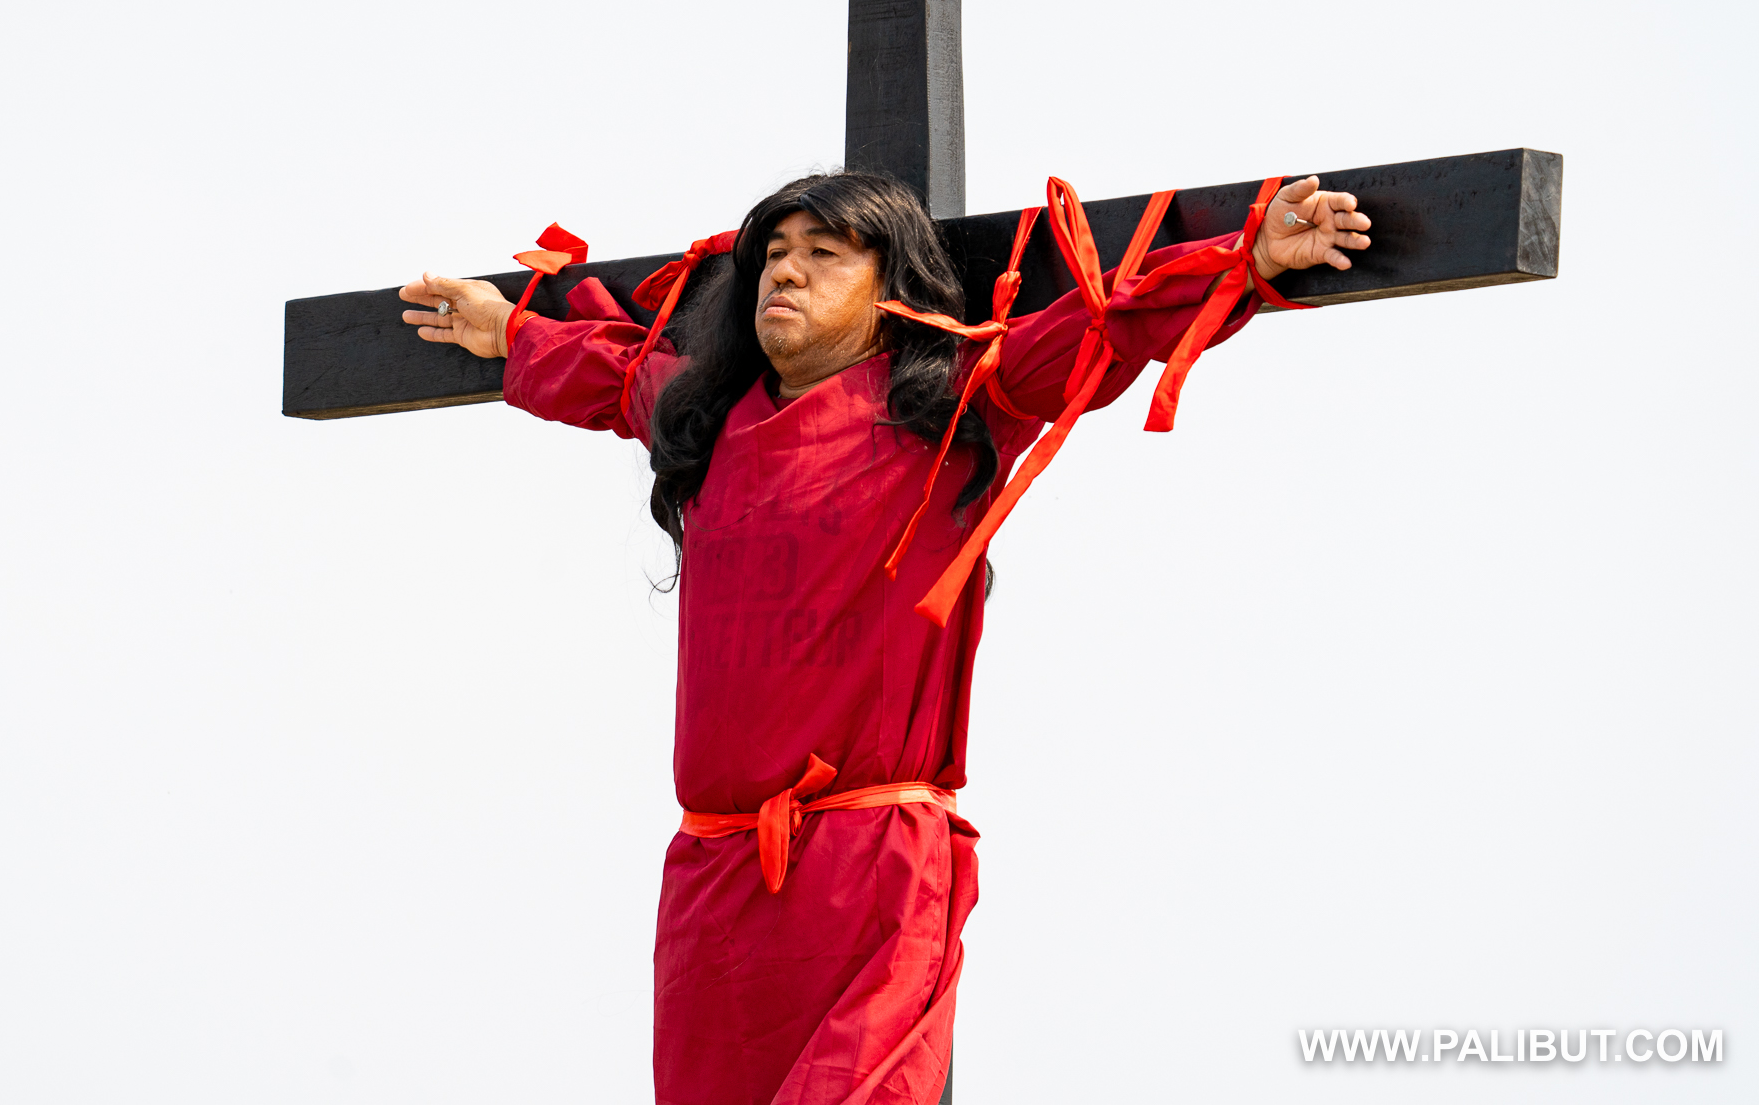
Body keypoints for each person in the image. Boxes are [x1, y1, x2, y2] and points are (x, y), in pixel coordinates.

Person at [398, 170, 1369, 1105]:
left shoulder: (952, 404)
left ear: (890, 288)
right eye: (775, 253)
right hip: (713, 890)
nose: (785, 270)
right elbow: (613, 376)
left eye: (825, 253)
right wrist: (511, 331)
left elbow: (1105, 327)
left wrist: (1247, 258)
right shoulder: (707, 418)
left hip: (875, 873)